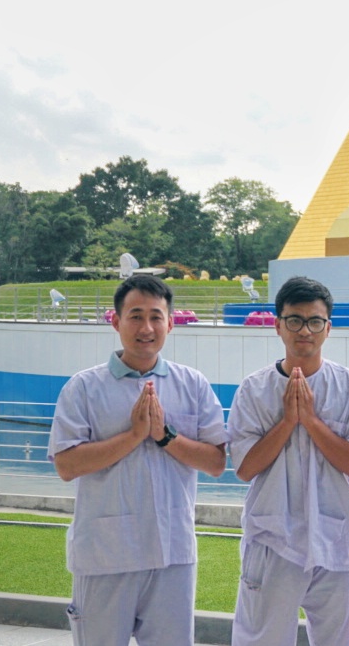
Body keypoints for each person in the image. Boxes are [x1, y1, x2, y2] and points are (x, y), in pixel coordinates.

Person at [47, 274, 228, 646]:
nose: (146, 327)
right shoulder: (84, 387)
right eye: (135, 315)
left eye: (156, 316)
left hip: (172, 554)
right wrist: (132, 436)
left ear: (171, 323)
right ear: (115, 321)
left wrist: (164, 436)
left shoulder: (192, 385)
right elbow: (67, 466)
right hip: (105, 554)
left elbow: (216, 462)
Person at [228, 276, 349, 646]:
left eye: (314, 321)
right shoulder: (254, 389)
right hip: (272, 535)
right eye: (294, 320)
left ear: (328, 328)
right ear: (277, 325)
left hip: (334, 533)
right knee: (261, 639)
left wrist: (310, 420)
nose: (304, 330)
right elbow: (245, 468)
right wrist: (288, 422)